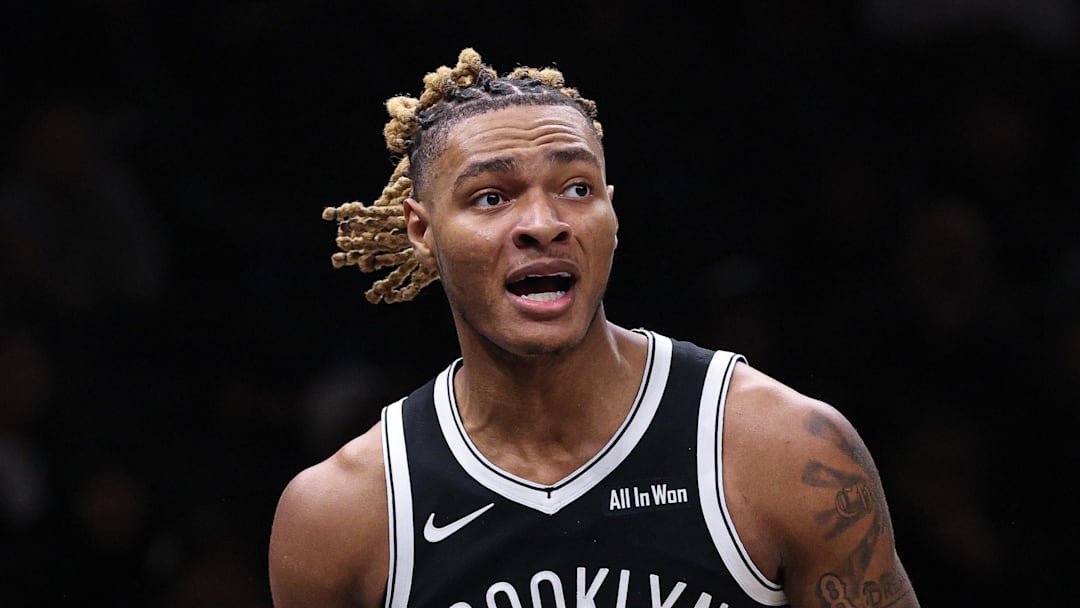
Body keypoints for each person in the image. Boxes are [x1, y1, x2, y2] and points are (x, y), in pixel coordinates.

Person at [268, 48, 921, 608]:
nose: (544, 222)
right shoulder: (340, 515)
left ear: (612, 213)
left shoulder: (785, 451)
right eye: (492, 197)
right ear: (421, 231)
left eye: (576, 188)